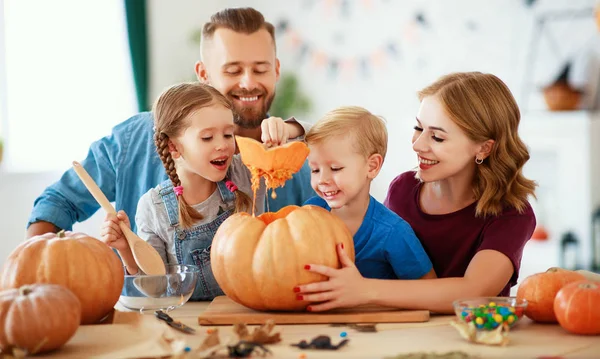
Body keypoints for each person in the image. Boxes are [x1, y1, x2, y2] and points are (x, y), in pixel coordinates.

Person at [26, 7, 314, 237]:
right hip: (151, 310)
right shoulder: (134, 140)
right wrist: (38, 266)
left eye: (260, 69)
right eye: (233, 70)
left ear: (275, 70)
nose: (248, 82)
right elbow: (59, 203)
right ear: (203, 73)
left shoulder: (295, 158)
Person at [295, 72, 537, 313]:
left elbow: (473, 292)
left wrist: (365, 290)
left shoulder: (512, 215)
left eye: (437, 137)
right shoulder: (404, 188)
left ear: (483, 148)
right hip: (405, 332)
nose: (417, 145)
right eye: (418, 128)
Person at [101, 82, 286, 300]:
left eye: (228, 135)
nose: (223, 145)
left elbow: (312, 139)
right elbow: (155, 289)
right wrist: (126, 251)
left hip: (252, 311)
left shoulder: (247, 172)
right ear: (173, 147)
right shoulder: (154, 208)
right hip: (191, 323)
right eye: (207, 137)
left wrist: (284, 130)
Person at [303, 106, 435, 283]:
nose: (322, 180)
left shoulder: (393, 232)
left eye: (335, 168)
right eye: (315, 170)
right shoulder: (309, 214)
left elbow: (428, 287)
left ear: (372, 166)